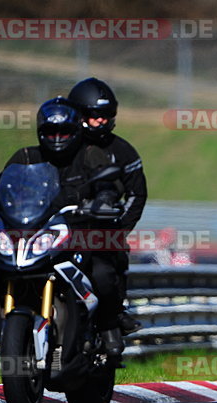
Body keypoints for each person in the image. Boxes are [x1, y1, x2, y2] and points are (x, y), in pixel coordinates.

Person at [0, 97, 127, 366]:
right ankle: (14, 335)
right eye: (50, 132)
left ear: (76, 131)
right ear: (40, 132)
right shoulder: (25, 157)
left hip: (80, 233)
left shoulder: (90, 154)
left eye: (64, 132)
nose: (57, 138)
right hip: (31, 234)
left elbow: (108, 183)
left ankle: (107, 329)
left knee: (103, 273)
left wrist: (104, 199)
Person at [68, 77, 148, 337]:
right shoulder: (62, 146)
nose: (101, 120)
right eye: (94, 115)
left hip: (102, 234)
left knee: (105, 273)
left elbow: (137, 193)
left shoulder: (123, 151)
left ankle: (112, 318)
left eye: (106, 115)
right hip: (60, 231)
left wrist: (119, 228)